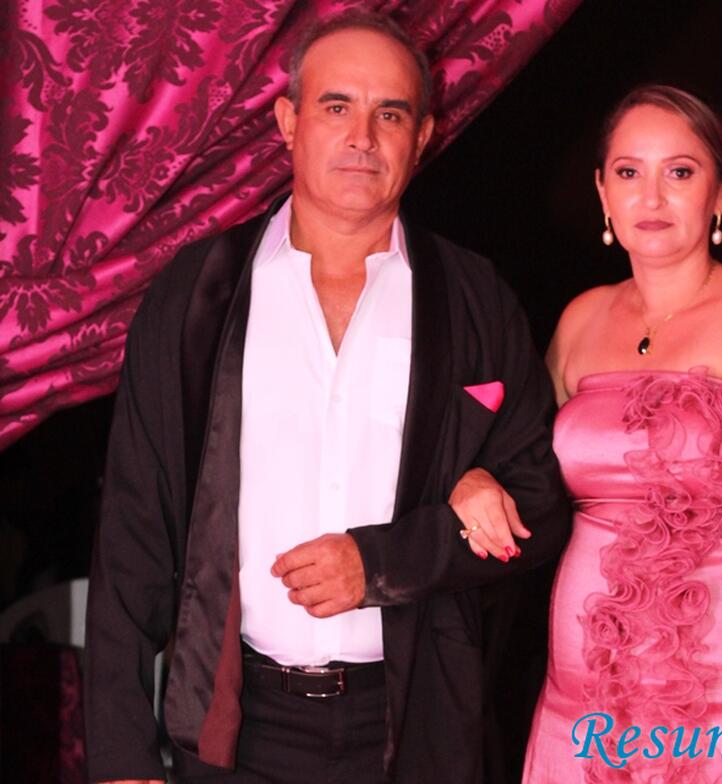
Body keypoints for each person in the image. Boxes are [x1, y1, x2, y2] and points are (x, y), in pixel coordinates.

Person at [83, 11, 569, 784]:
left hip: (417, 728)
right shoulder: (198, 294)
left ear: (423, 135)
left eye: (391, 114)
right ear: (288, 122)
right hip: (238, 729)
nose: (362, 137)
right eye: (337, 106)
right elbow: (133, 528)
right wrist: (119, 754)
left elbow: (539, 508)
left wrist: (381, 563)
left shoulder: (473, 298)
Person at [471, 85, 722, 783]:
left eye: (679, 171)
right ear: (602, 192)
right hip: (583, 705)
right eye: (628, 172)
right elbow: (523, 463)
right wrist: (475, 479)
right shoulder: (581, 320)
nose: (651, 196)